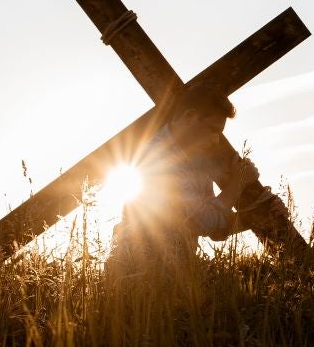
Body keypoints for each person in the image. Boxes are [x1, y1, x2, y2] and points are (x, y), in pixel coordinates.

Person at [105, 90, 264, 280]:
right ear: (189, 116)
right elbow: (204, 220)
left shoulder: (197, 160)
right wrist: (238, 183)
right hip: (139, 274)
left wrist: (259, 216)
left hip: (173, 271)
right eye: (212, 130)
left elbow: (212, 225)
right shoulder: (159, 158)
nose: (216, 140)